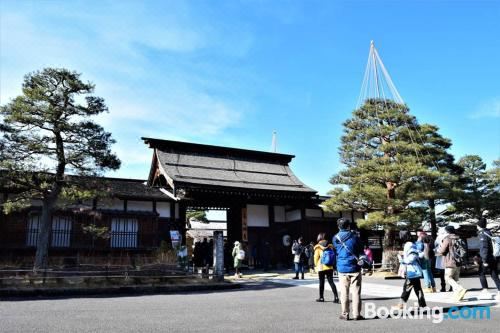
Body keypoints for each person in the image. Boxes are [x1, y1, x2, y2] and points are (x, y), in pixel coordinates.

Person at [333, 218, 364, 320]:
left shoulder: (335, 238)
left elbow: (337, 251)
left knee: (344, 292)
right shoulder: (355, 237)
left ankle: (345, 314)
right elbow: (360, 250)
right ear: (349, 226)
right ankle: (357, 314)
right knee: (356, 292)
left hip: (342, 267)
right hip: (355, 266)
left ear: (338, 227)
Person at [393, 231, 427, 309]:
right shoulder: (412, 243)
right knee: (417, 289)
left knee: (406, 288)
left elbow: (413, 256)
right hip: (415, 269)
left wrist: (403, 260)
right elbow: (419, 254)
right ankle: (422, 305)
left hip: (412, 269)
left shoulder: (409, 244)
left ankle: (401, 304)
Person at [437, 225, 467, 301]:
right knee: (456, 280)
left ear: (447, 231)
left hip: (450, 261)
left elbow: (442, 250)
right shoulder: (459, 238)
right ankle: (458, 296)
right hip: (459, 262)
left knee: (447, 278)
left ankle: (460, 289)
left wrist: (438, 251)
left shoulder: (447, 239)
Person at [477, 217, 500, 300]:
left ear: (479, 225)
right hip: (494, 257)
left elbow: (484, 248)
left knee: (481, 273)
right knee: (494, 275)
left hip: (488, 258)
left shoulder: (482, 234)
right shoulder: (489, 232)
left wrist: (484, 260)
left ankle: (485, 291)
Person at [314, 233, 339, 303]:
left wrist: (316, 265)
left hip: (321, 267)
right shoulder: (330, 246)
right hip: (329, 266)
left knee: (321, 282)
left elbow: (315, 257)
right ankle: (336, 297)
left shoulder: (318, 247)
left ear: (319, 238)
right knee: (331, 282)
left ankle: (321, 297)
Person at [434, 227, 451, 292]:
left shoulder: (438, 237)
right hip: (448, 256)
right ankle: (451, 287)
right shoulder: (449, 236)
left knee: (442, 273)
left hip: (440, 256)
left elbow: (435, 245)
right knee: (449, 273)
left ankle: (443, 287)